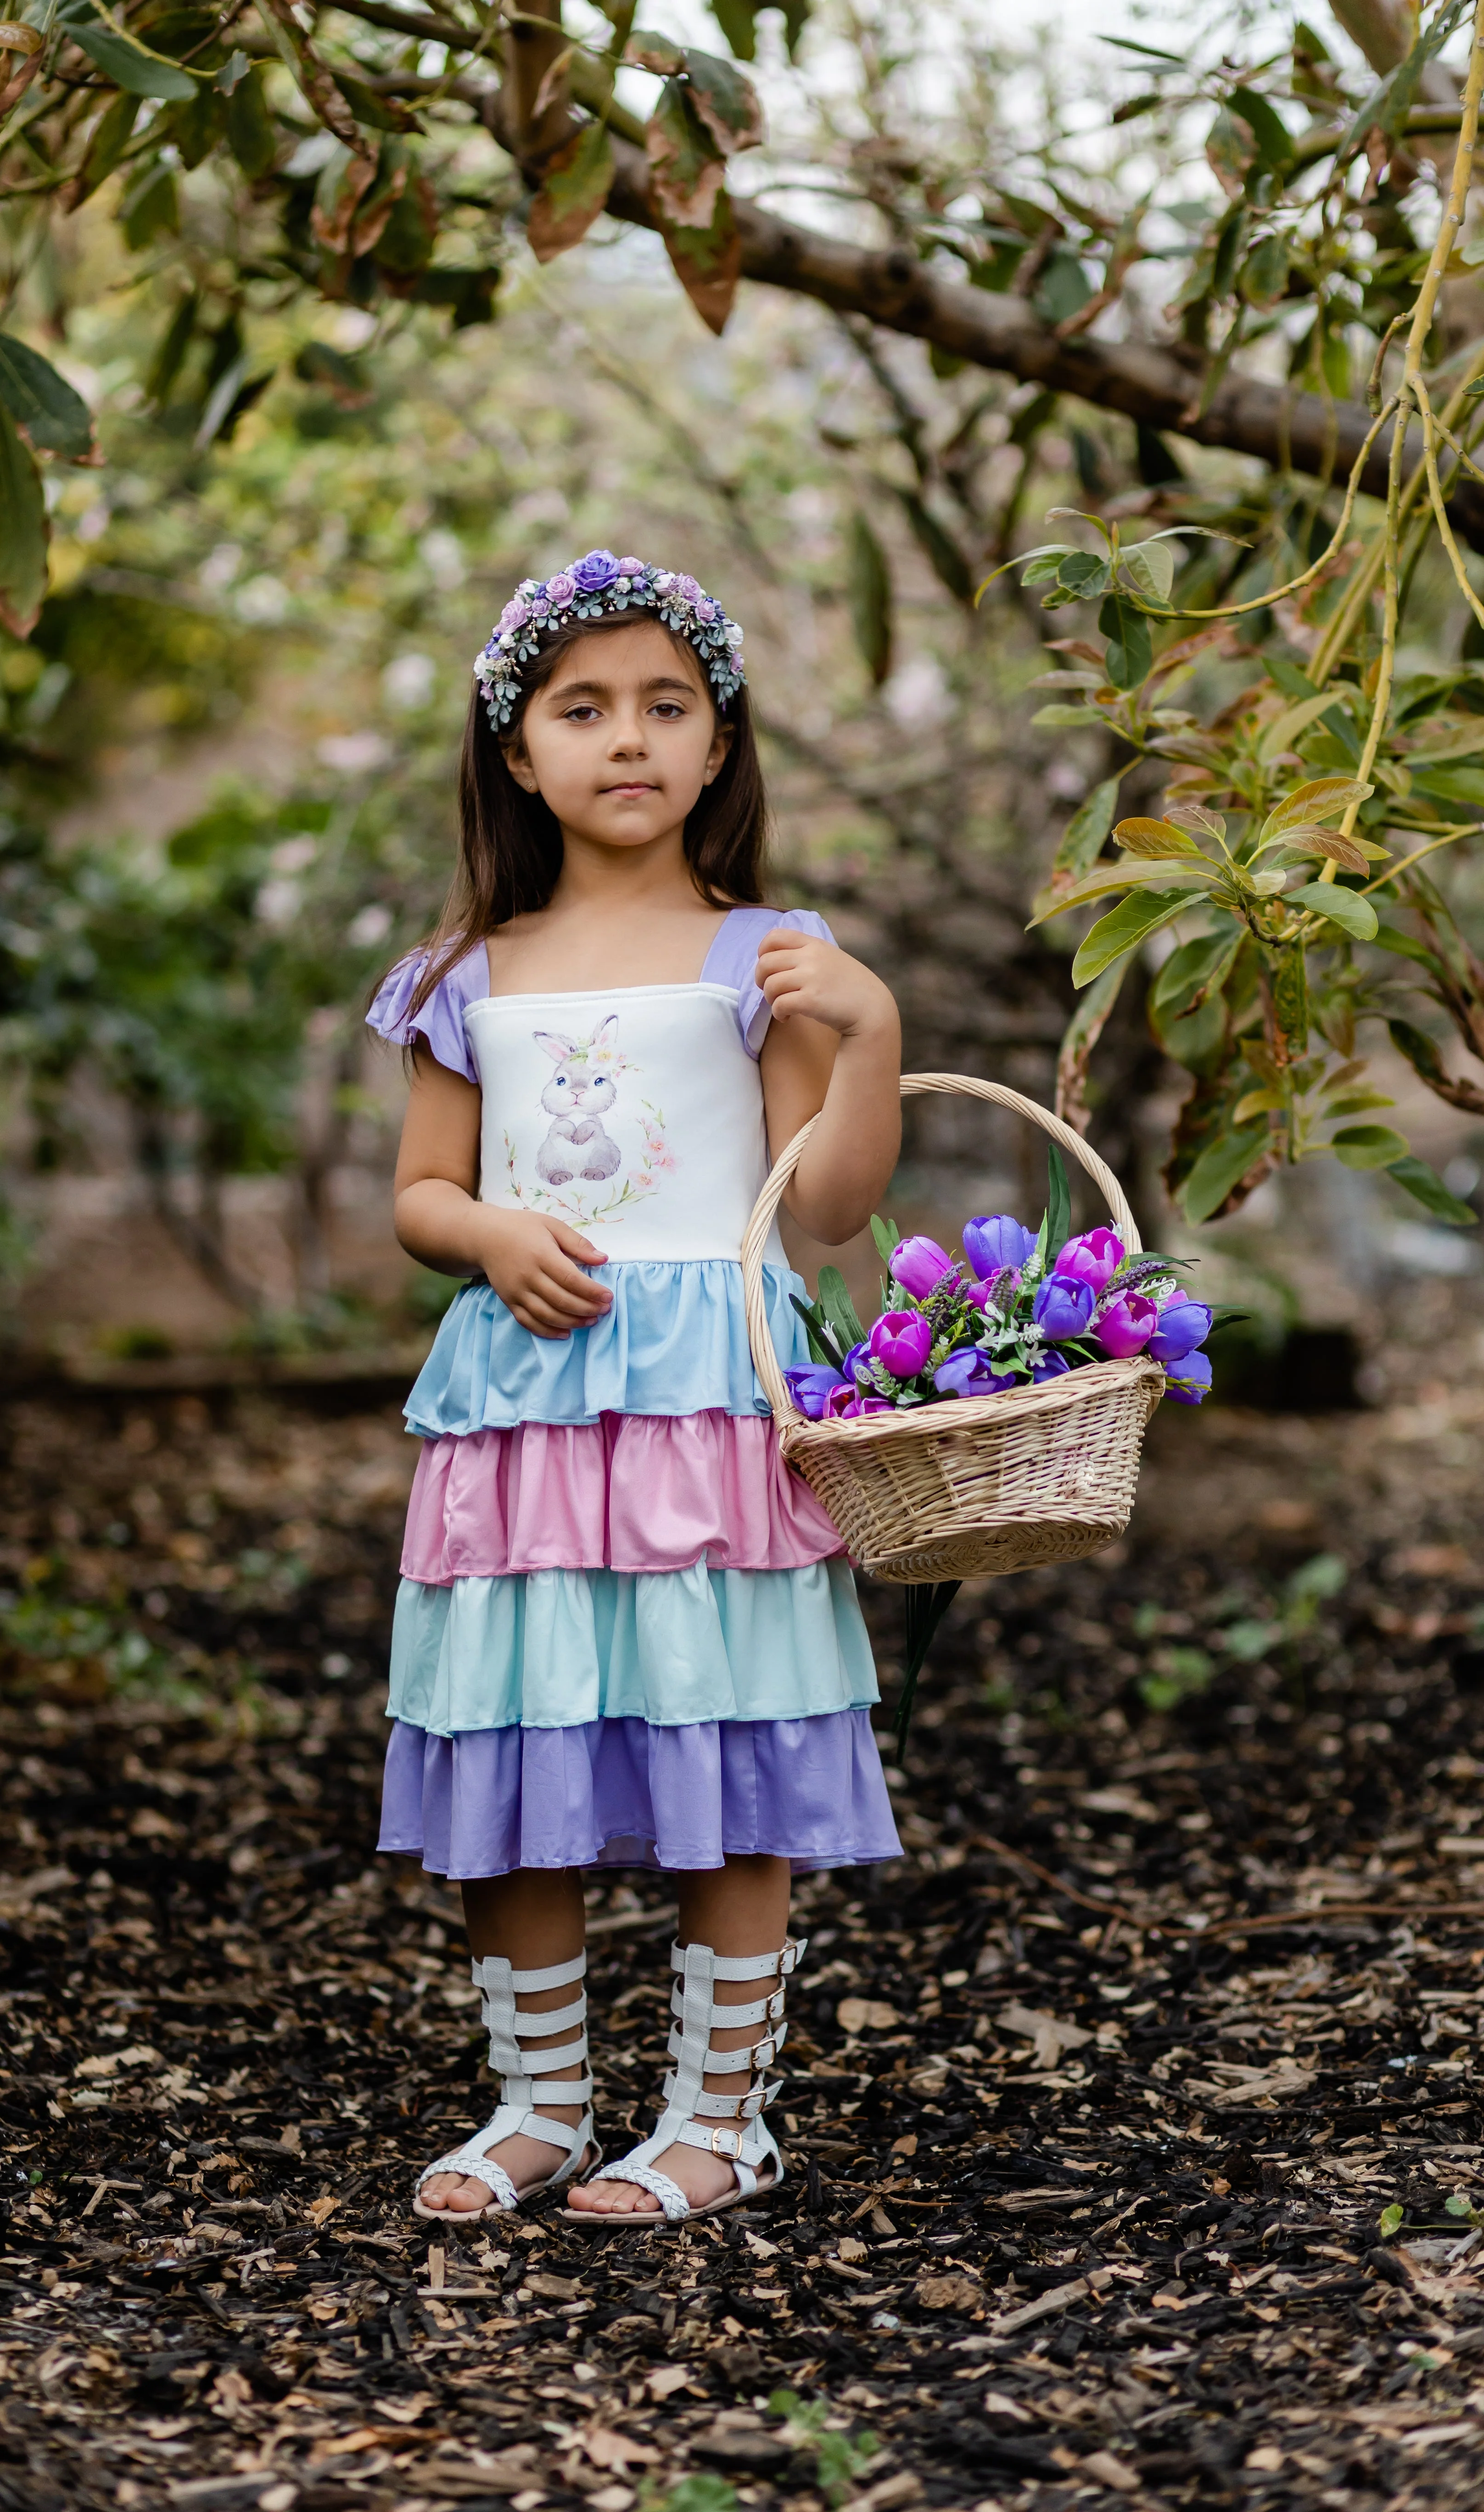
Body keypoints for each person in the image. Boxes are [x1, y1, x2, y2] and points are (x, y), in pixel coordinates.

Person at [366, 551, 903, 2226]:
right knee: (517, 1732)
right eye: (582, 708)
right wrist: (484, 1233)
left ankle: (717, 2119)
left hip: (708, 1398)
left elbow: (824, 1208)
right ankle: (539, 2106)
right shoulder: (474, 967)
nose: (629, 739)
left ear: (721, 746)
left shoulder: (772, 954)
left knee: (721, 1731)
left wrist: (871, 1031)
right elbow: (420, 1192)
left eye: (668, 706)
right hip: (528, 1400)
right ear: (518, 753)